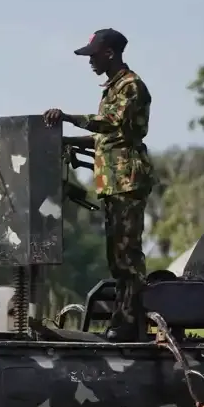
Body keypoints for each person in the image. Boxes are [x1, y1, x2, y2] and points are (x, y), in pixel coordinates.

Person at [44, 28, 154, 340]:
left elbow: (110, 124)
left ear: (109, 53)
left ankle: (129, 325)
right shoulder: (113, 87)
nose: (90, 61)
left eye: (93, 55)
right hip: (114, 183)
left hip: (127, 182)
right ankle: (124, 321)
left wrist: (68, 117)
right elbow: (103, 137)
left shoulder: (131, 86)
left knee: (127, 258)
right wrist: (64, 141)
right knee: (117, 258)